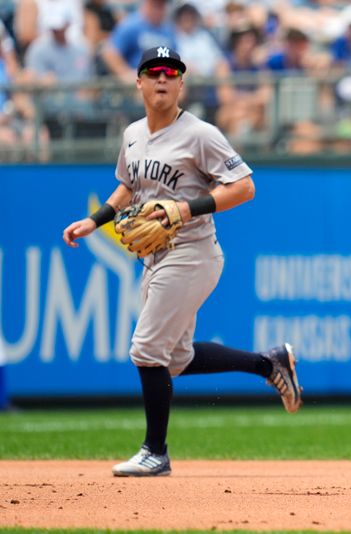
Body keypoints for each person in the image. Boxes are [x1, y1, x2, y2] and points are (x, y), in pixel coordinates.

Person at [62, 46, 302, 477]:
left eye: (171, 73)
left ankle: (156, 452)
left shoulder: (200, 134)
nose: (162, 79)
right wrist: (94, 221)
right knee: (173, 358)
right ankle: (268, 364)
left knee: (146, 350)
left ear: (181, 84)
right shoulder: (133, 134)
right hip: (154, 259)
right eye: (153, 72)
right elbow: (125, 187)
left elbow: (244, 187)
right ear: (139, 82)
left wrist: (186, 208)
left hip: (192, 254)